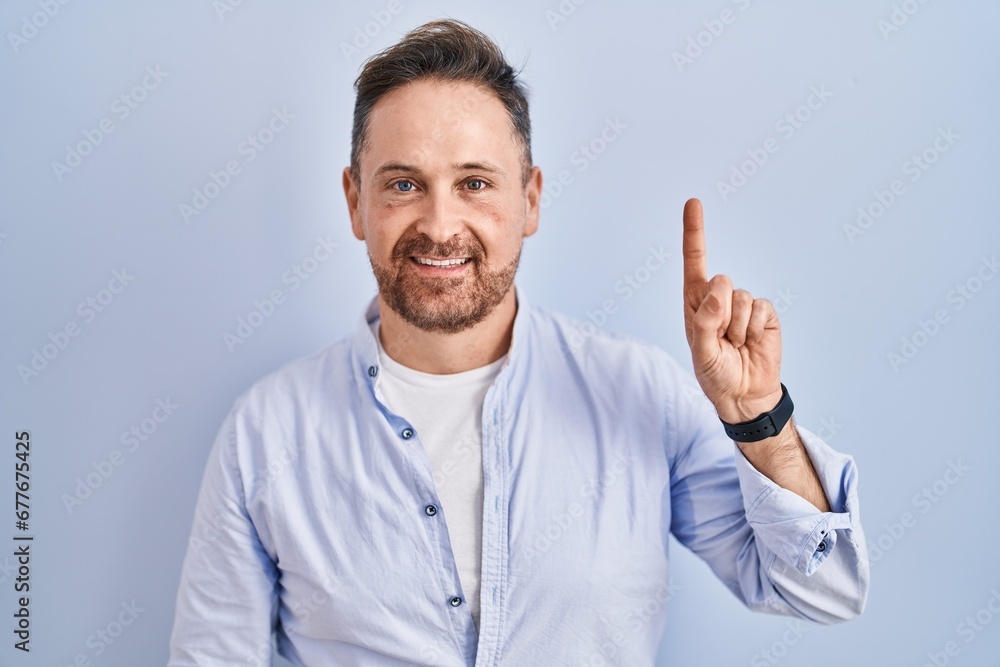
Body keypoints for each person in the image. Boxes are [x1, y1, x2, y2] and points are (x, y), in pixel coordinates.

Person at [168, 18, 869, 666]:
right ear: (355, 200)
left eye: (475, 183)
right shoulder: (264, 434)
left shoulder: (639, 393)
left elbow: (826, 589)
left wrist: (761, 422)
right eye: (404, 183)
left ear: (530, 199)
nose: (440, 225)